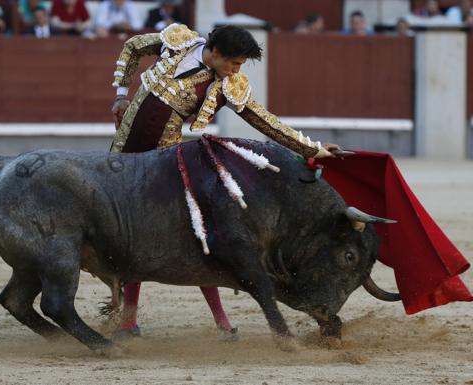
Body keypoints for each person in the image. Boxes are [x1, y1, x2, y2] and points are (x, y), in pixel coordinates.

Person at [109, 23, 341, 338]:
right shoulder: (179, 42)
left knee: (192, 235)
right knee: (124, 234)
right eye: (234, 63)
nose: (236, 70)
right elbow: (133, 47)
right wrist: (121, 94)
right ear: (215, 52)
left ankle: (208, 319)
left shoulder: (225, 85)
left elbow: (265, 121)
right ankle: (129, 317)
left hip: (162, 164)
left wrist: (312, 149)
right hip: (121, 153)